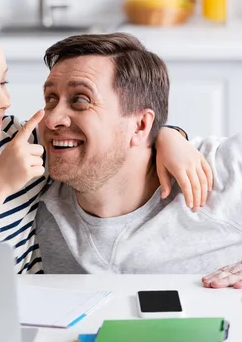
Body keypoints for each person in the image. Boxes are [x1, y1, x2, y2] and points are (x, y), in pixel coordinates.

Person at [0, 10, 210, 275]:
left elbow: (110, 137)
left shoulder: (19, 139)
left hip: (32, 310)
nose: (3, 101)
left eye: (4, 82)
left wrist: (167, 136)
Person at [34, 32, 242, 289]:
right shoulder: (27, 181)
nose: (52, 119)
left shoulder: (223, 173)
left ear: (141, 125)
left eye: (80, 100)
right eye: (50, 99)